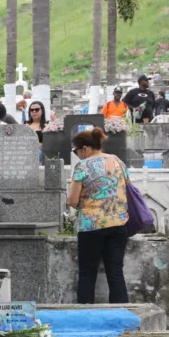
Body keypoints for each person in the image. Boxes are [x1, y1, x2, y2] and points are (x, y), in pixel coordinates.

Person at [67, 128, 129, 304]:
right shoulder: (118, 161)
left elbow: (72, 200)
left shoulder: (83, 165)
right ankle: (122, 317)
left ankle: (86, 318)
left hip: (91, 226)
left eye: (76, 151)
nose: (77, 155)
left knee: (87, 273)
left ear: (85, 149)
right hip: (119, 223)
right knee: (116, 273)